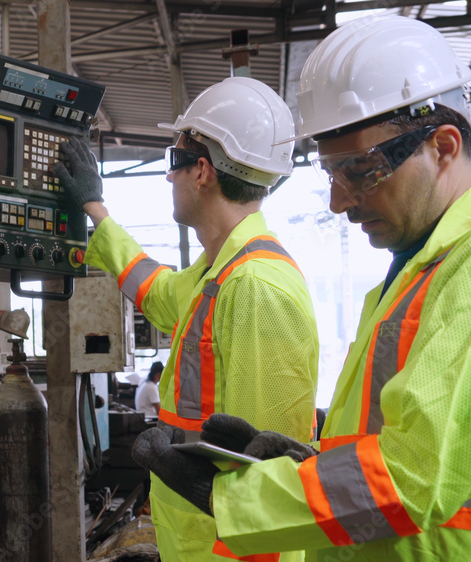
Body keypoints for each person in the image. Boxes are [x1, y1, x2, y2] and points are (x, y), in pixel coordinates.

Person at [132, 15, 471, 560]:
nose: (338, 202)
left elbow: (410, 476)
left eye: (361, 171)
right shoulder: (416, 271)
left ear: (444, 147)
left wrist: (230, 500)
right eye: (331, 174)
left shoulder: (463, 274)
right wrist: (311, 459)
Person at [55, 77, 319, 561]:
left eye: (172, 161)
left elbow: (269, 482)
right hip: (193, 542)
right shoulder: (218, 274)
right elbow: (154, 291)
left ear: (201, 171)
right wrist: (96, 210)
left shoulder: (257, 288)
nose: (168, 177)